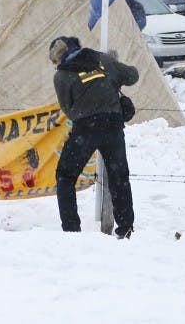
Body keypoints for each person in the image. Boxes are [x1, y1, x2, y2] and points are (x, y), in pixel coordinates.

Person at [49, 36, 137, 239]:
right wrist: (114, 74)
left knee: (66, 176)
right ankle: (126, 229)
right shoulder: (102, 60)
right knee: (119, 178)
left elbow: (68, 109)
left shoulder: (61, 76)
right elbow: (132, 76)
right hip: (113, 125)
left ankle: (72, 231)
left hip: (85, 129)